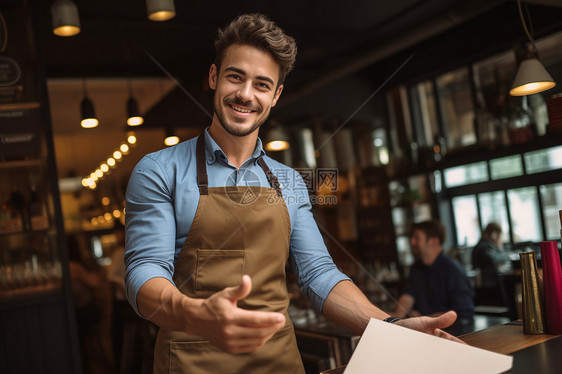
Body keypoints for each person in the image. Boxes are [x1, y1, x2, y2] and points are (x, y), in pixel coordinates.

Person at [124, 13, 462, 374]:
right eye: (235, 77)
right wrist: (195, 314)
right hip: (191, 363)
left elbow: (318, 274)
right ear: (213, 77)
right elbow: (144, 271)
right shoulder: (159, 170)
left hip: (279, 363)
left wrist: (390, 327)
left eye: (262, 84)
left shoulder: (289, 182)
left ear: (275, 96)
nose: (245, 94)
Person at [392, 220, 474, 321]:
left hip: (451, 331)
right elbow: (408, 295)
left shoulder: (452, 270)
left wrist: (423, 319)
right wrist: (396, 319)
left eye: (417, 238)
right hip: (424, 329)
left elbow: (463, 311)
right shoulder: (416, 268)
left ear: (434, 241)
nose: (412, 242)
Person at [472, 222, 510, 288]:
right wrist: (505, 253)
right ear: (494, 234)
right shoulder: (485, 246)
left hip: (486, 284)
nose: (500, 239)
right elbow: (493, 260)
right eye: (499, 236)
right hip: (490, 286)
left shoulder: (481, 244)